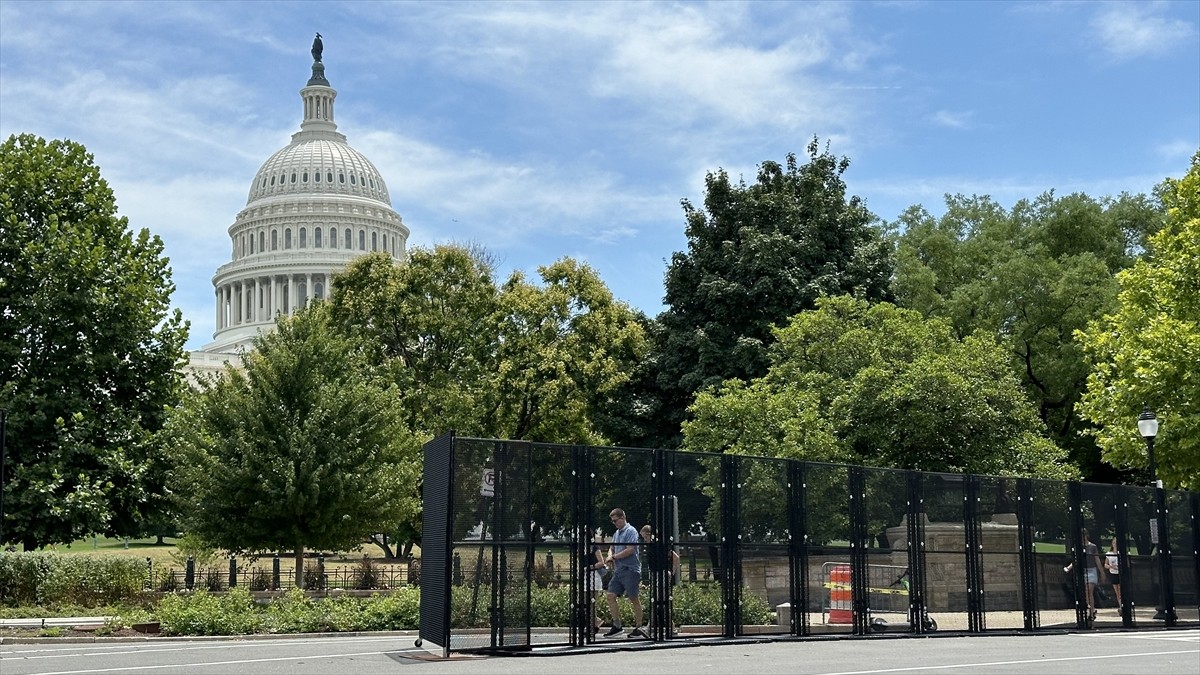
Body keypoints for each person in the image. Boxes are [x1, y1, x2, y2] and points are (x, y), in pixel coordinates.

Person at [603, 508, 645, 639]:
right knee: (610, 595)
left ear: (622, 518)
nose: (614, 523)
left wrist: (614, 557)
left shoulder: (631, 531)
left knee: (633, 598)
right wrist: (610, 555)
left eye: (616, 520)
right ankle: (617, 626)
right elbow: (612, 547)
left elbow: (630, 550)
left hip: (631, 570)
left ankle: (639, 628)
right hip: (619, 570)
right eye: (613, 521)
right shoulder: (616, 533)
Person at [640, 524, 681, 637]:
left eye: (645, 537)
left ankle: (649, 628)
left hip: (661, 573)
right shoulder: (650, 546)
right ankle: (672, 628)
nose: (644, 540)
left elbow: (676, 558)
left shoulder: (660, 545)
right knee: (661, 603)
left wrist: (670, 572)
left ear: (649, 535)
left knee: (657, 601)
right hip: (655, 574)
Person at [1064, 527, 1106, 620]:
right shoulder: (1078, 547)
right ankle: (1090, 609)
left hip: (1091, 570)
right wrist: (1069, 568)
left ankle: (1090, 611)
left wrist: (1102, 572)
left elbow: (1097, 559)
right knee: (1086, 592)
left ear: (1087, 536)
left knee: (1089, 589)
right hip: (1083, 570)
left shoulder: (1093, 546)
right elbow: (1076, 560)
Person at [581, 525, 606, 635]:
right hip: (586, 575)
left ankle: (591, 625)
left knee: (592, 602)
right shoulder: (582, 548)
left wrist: (591, 567)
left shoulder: (594, 547)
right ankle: (595, 621)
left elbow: (601, 562)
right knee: (585, 601)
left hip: (594, 575)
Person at [1105, 537, 1122, 610]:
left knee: (1121, 590)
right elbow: (1105, 565)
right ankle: (1120, 606)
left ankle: (1123, 605)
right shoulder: (1109, 554)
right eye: (1114, 543)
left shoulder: (1121, 553)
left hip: (1120, 573)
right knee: (1117, 591)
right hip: (1113, 573)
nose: (1115, 544)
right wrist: (1110, 566)